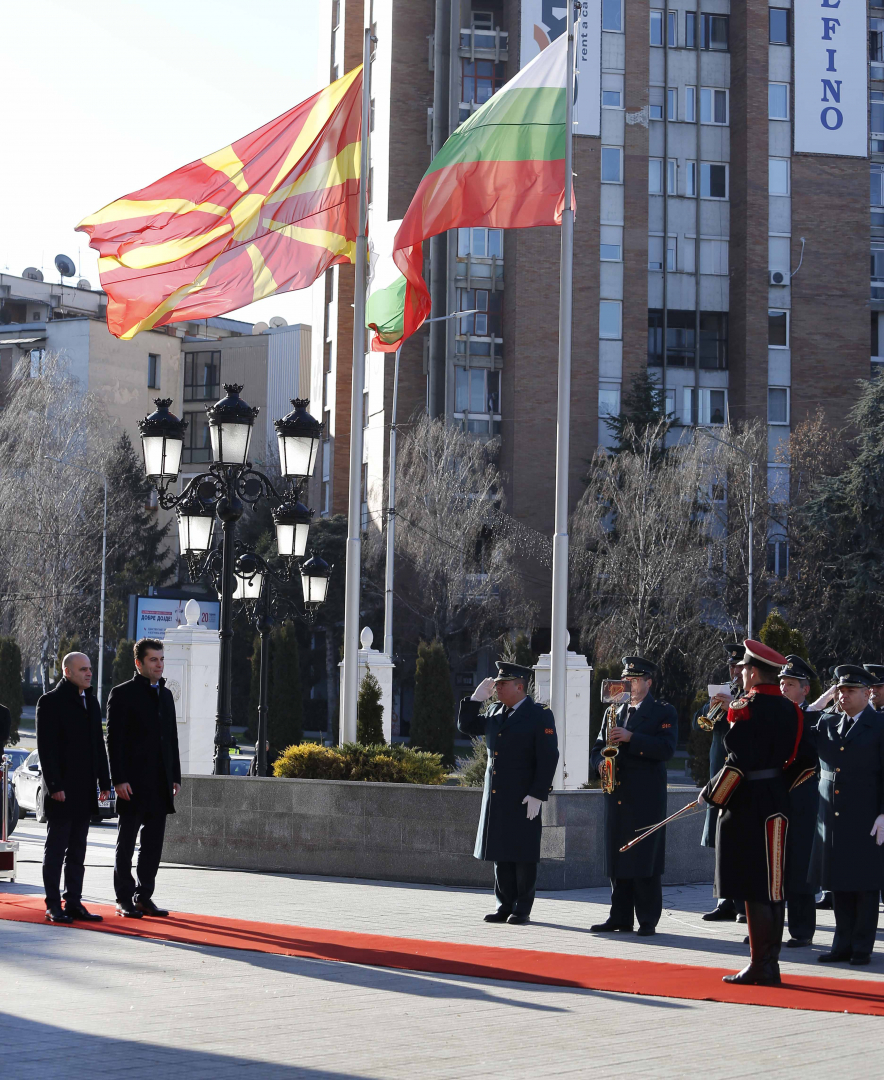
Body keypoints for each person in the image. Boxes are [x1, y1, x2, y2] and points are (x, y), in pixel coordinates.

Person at [699, 639, 807, 985]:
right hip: (778, 800)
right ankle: (769, 963)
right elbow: (805, 763)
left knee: (752, 884)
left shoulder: (747, 706)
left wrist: (714, 795)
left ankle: (761, 965)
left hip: (747, 803)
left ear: (753, 671)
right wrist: (778, 785)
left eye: (744, 669)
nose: (741, 674)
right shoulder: (792, 709)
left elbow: (737, 761)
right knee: (773, 885)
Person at [457, 662, 559, 925]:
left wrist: (538, 793)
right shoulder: (493, 710)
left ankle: (522, 908)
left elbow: (548, 757)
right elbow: (466, 726)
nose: (498, 687)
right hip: (498, 793)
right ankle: (503, 904)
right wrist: (475, 699)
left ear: (520, 686)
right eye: (498, 684)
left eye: (503, 684)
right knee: (501, 851)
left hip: (524, 795)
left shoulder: (539, 715)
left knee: (523, 853)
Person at [589, 657, 677, 937]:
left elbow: (666, 749)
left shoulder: (664, 711)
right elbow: (598, 747)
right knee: (619, 857)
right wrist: (600, 763)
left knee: (645, 858)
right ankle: (620, 916)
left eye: (635, 680)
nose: (629, 684)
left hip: (646, 796)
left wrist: (631, 738)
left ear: (649, 682)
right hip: (616, 791)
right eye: (626, 679)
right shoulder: (614, 710)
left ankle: (648, 919)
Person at [808, 665, 884, 966]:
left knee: (865, 886)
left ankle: (862, 947)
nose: (843, 695)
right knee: (839, 884)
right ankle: (842, 944)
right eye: (840, 690)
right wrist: (822, 701)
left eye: (850, 690)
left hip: (866, 817)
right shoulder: (829, 722)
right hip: (834, 818)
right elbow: (801, 726)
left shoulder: (879, 726)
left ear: (867, 694)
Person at [107, 638, 181, 918]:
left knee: (152, 845)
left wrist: (175, 776)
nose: (159, 665)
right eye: (154, 660)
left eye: (161, 659)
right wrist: (118, 780)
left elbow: (171, 739)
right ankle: (123, 897)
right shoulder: (122, 694)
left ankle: (143, 896)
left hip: (160, 784)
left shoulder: (165, 695)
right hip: (132, 784)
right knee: (125, 844)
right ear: (139, 663)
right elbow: (114, 741)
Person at [36, 652, 111, 924]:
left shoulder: (91, 702)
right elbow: (46, 749)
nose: (89, 673)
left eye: (90, 668)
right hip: (61, 791)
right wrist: (55, 785)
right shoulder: (50, 702)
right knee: (56, 850)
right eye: (83, 669)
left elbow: (97, 747)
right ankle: (53, 905)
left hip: (84, 790)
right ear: (67, 672)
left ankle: (74, 902)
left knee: (78, 850)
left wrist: (105, 782)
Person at [693, 643, 745, 922]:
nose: (734, 672)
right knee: (720, 840)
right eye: (731, 667)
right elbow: (697, 723)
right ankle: (724, 899)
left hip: (739, 777)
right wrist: (711, 706)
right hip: (718, 773)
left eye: (739, 667)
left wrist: (730, 709)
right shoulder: (723, 691)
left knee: (739, 841)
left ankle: (742, 902)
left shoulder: (750, 696)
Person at [778, 654, 822, 948]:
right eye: (781, 682)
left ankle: (802, 930)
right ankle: (766, 928)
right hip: (773, 799)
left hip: (803, 799)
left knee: (799, 864)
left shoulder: (816, 719)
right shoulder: (770, 715)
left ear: (805, 689)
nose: (783, 688)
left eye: (790, 684)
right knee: (772, 865)